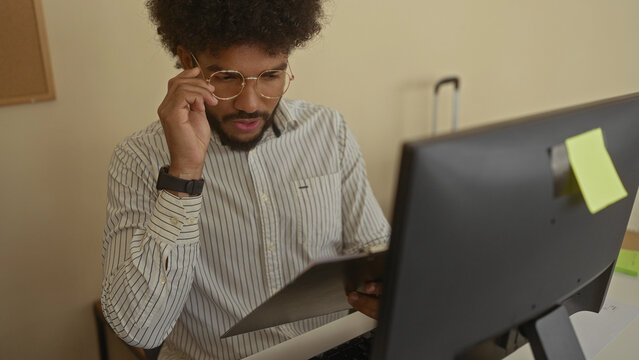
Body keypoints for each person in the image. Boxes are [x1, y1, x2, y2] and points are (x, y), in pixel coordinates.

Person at [101, 0, 390, 358]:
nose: (249, 103)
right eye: (226, 78)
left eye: (271, 76)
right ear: (188, 63)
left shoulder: (329, 130)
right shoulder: (139, 158)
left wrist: (388, 290)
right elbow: (139, 329)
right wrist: (185, 175)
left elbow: (375, 250)